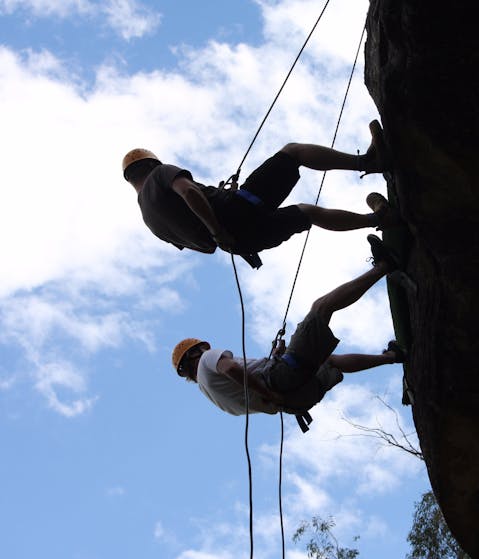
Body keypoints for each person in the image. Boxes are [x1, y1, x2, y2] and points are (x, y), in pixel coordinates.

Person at [171, 235, 405, 422]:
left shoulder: (212, 395)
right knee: (320, 308)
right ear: (195, 352)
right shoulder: (206, 361)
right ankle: (385, 266)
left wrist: (275, 359)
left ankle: (393, 357)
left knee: (329, 361)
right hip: (278, 383)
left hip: (295, 401)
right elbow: (231, 368)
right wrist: (268, 389)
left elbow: (249, 393)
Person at [122, 120, 399, 268]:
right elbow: (190, 193)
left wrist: (219, 230)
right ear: (151, 163)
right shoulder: (160, 175)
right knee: (293, 152)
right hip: (236, 213)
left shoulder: (151, 222)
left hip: (241, 242)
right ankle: (369, 162)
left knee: (307, 213)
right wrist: (218, 221)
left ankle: (378, 219)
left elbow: (205, 247)